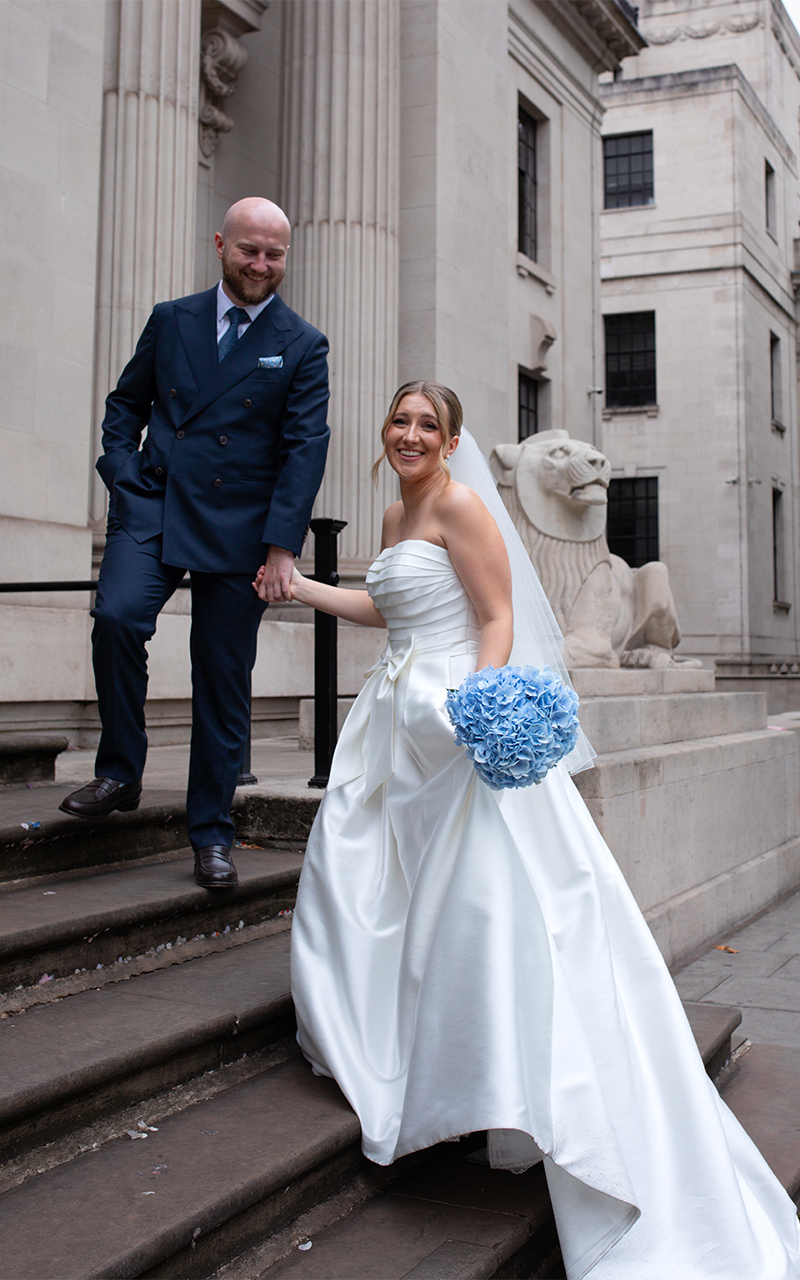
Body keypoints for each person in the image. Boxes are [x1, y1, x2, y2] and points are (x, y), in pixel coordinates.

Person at [281, 381, 800, 1279]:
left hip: (450, 725)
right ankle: (393, 1053)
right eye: (400, 421)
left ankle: (505, 1082)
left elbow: (497, 620)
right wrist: (306, 588)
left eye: (428, 425)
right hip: (391, 724)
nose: (410, 434)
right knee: (367, 880)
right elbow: (390, 610)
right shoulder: (401, 510)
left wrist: (476, 711)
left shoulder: (463, 505)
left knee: (488, 906)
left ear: (451, 440)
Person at [60, 198, 330, 891]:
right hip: (154, 507)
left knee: (221, 681)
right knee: (117, 617)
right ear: (221, 245)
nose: (261, 266)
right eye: (249, 251)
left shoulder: (302, 343)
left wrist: (281, 548)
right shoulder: (171, 318)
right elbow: (125, 406)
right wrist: (123, 476)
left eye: (274, 254)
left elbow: (304, 450)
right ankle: (120, 772)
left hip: (241, 531)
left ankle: (211, 833)